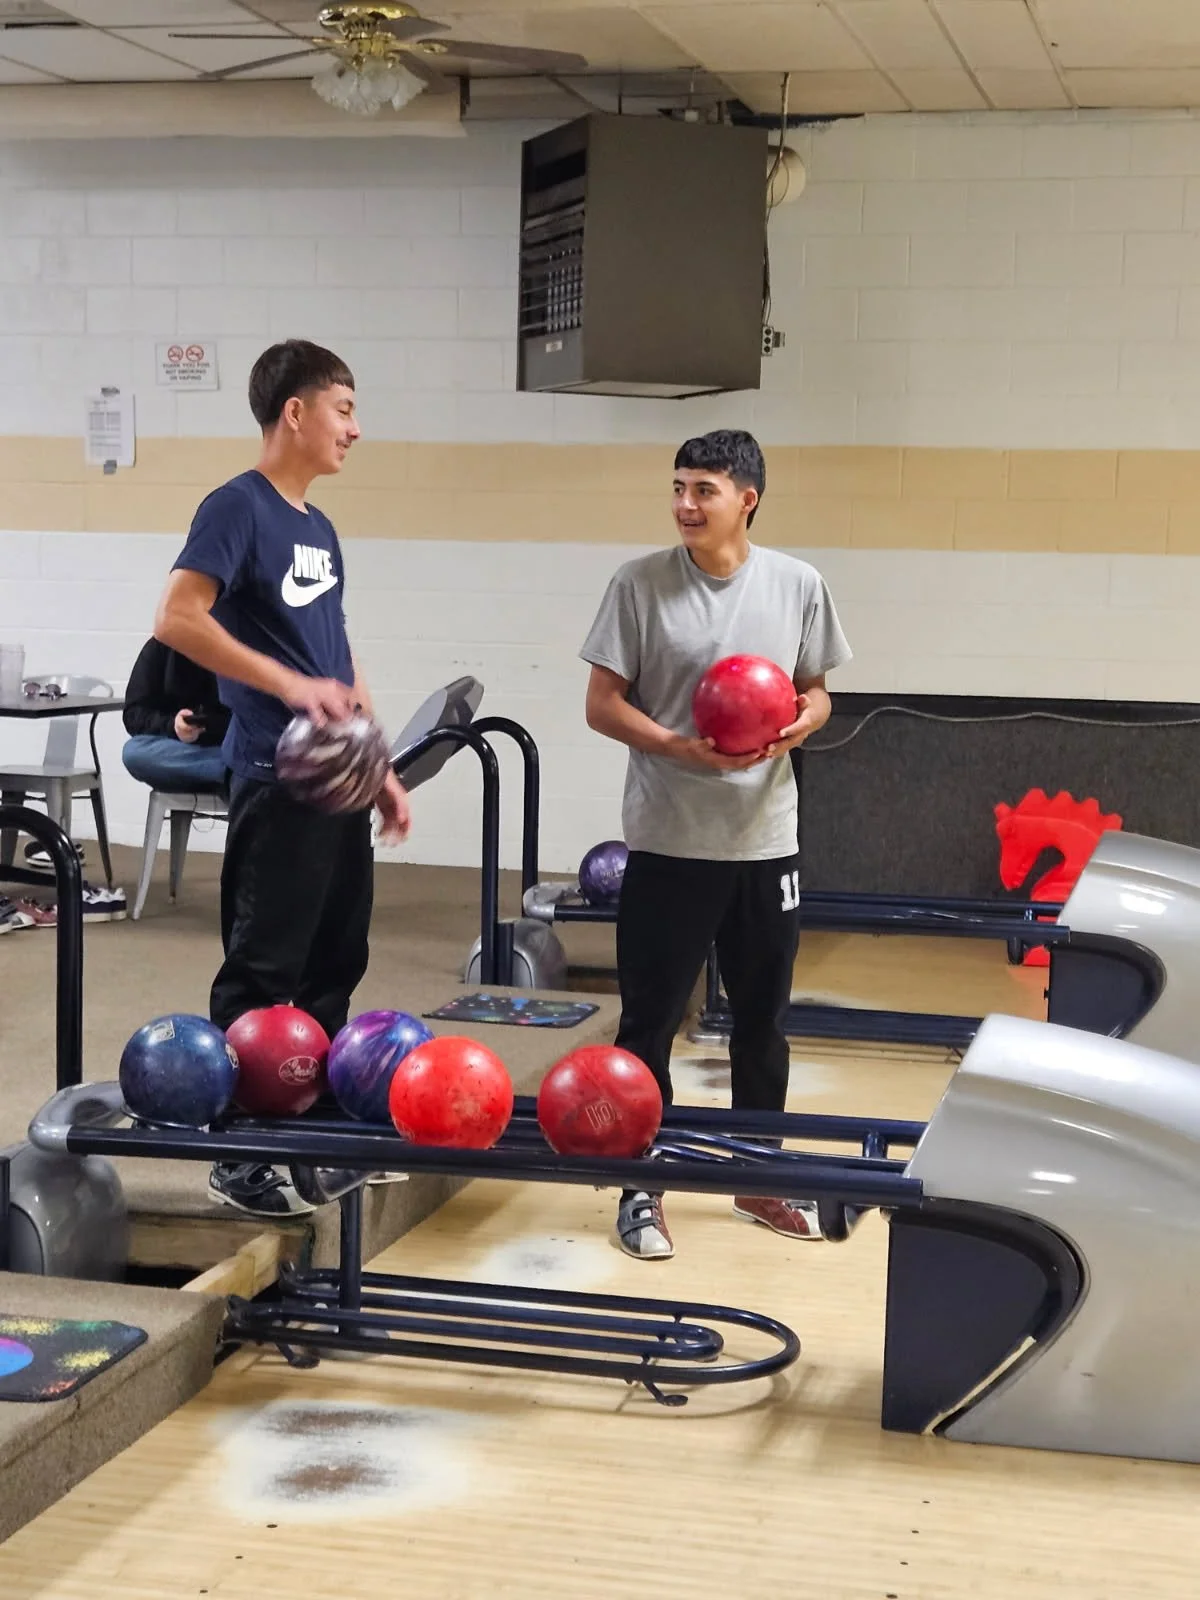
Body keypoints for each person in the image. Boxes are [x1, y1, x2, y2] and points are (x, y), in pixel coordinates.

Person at [153, 339, 410, 1219]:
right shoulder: (236, 508)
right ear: (294, 413)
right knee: (265, 969)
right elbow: (177, 619)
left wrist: (374, 758)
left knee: (338, 961)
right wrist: (287, 685)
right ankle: (240, 1152)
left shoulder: (319, 527)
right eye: (343, 408)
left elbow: (338, 649)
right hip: (275, 774)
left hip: (339, 787)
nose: (356, 428)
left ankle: (315, 1129)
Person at [580, 428, 852, 1260]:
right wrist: (675, 747)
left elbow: (817, 693)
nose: (685, 505)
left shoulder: (799, 584)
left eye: (703, 490)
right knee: (650, 1022)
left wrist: (804, 719)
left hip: (766, 843)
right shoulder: (638, 585)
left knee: (763, 1020)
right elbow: (601, 704)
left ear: (748, 499)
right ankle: (640, 1187)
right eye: (678, 488)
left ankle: (757, 1174)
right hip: (670, 840)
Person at [121, 636, 230, 793]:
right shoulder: (160, 646)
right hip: (179, 749)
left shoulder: (235, 646)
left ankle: (230, 772)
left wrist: (210, 726)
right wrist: (173, 725)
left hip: (226, 745)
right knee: (133, 752)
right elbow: (134, 714)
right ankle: (231, 773)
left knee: (256, 753)